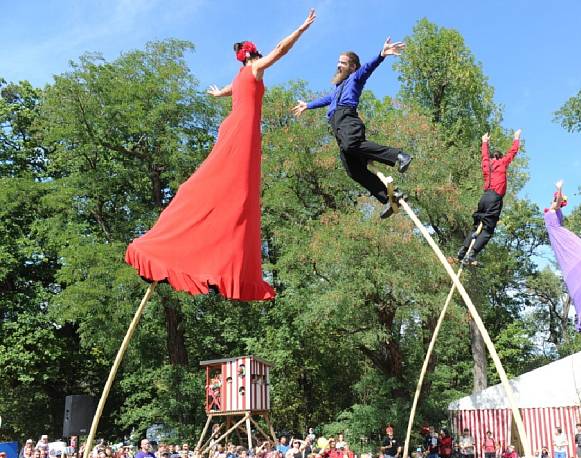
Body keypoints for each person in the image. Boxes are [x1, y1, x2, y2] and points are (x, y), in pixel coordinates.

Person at [125, 9, 316, 301]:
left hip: (239, 131)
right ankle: (178, 245)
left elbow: (262, 64)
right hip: (237, 132)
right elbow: (264, 63)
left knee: (230, 189)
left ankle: (218, 258)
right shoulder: (247, 72)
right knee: (215, 184)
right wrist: (300, 29)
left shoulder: (249, 71)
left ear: (244, 55)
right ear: (252, 54)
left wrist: (300, 30)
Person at [292, 39, 413, 220]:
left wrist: (381, 55)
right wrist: (307, 106)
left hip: (348, 119)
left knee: (352, 145)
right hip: (337, 126)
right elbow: (327, 99)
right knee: (352, 169)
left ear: (352, 66)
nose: (338, 66)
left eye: (343, 63)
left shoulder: (356, 78)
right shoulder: (338, 88)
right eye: (338, 63)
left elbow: (367, 69)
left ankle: (399, 156)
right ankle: (390, 197)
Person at [456, 129, 521, 264]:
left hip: (484, 198)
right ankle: (472, 254)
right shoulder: (502, 162)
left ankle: (463, 250)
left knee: (476, 226)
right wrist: (516, 138)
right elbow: (512, 153)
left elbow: (484, 156)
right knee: (488, 229)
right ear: (500, 157)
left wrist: (484, 142)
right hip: (494, 199)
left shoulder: (486, 164)